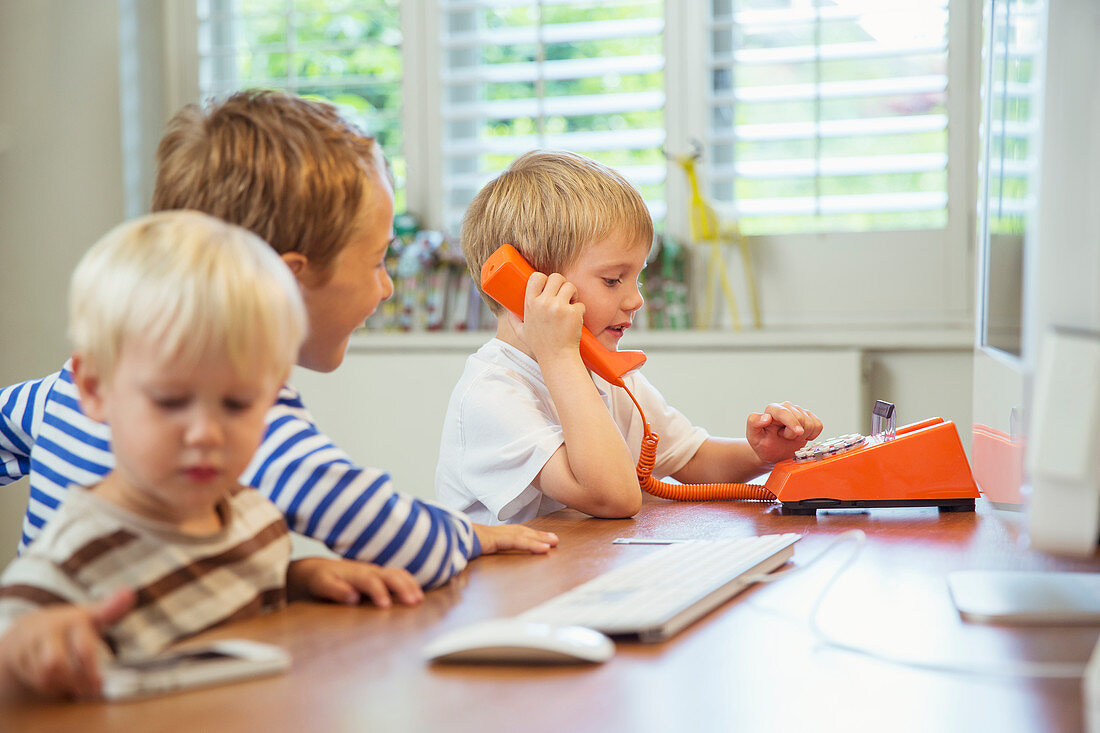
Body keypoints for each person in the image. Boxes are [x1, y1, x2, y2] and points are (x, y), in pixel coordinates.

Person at [0, 90, 556, 588]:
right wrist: (467, 535)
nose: (387, 288)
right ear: (288, 280)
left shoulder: (68, 389)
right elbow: (374, 524)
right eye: (378, 260)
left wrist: (290, 575)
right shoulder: (238, 414)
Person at [0, 211, 427, 699]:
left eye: (237, 404)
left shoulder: (256, 520)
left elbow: (224, 608)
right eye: (170, 401)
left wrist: (297, 580)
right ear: (94, 391)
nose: (205, 433)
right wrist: (20, 656)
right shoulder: (66, 561)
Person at [435, 150, 824, 525]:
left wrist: (761, 455)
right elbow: (613, 496)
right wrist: (559, 355)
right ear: (528, 288)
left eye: (636, 277)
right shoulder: (492, 394)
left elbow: (690, 459)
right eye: (612, 280)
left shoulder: (601, 372)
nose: (636, 299)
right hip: (516, 591)